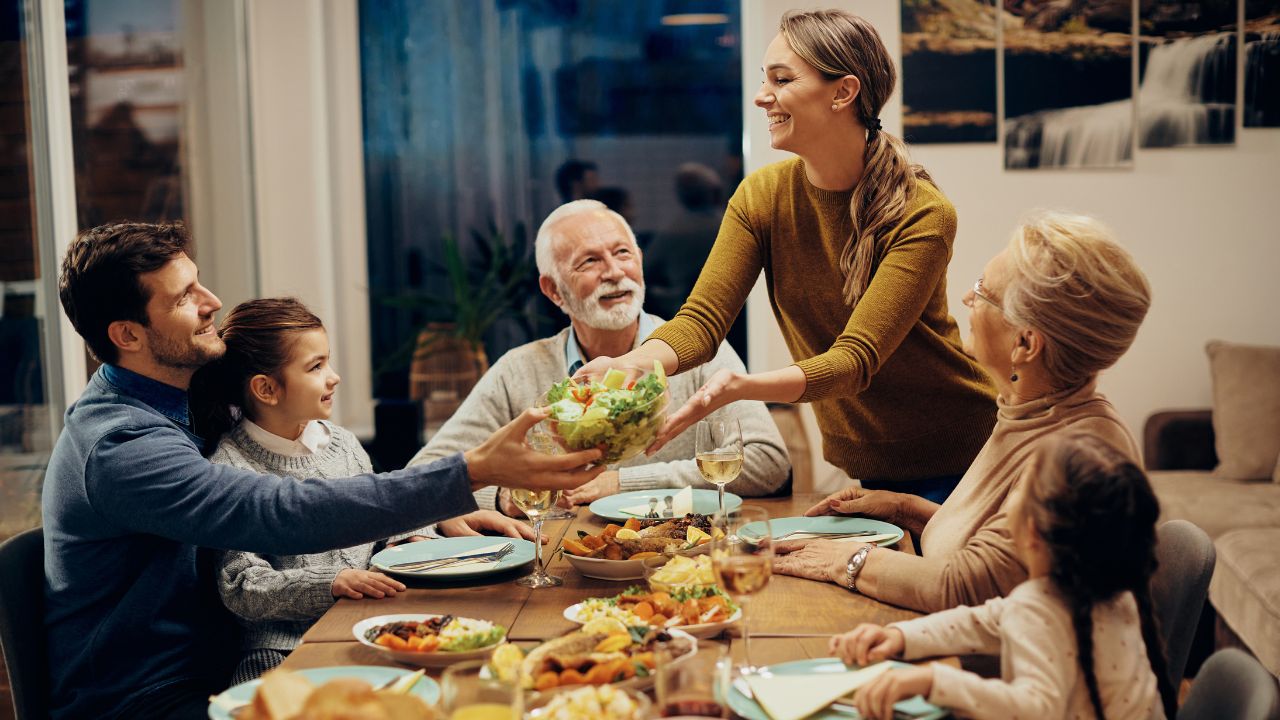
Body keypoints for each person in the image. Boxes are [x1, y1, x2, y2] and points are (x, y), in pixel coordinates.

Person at [43, 222, 603, 720]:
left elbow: (321, 476)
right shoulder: (121, 446)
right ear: (128, 335)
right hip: (149, 697)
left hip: (221, 663)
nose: (212, 301)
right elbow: (278, 510)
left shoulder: (189, 405)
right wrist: (469, 471)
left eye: (200, 282)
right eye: (185, 296)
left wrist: (439, 516)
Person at [576, 9, 997, 504]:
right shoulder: (763, 196)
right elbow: (703, 321)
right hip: (869, 460)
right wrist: (638, 361)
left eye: (782, 79)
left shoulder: (923, 212)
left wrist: (740, 387)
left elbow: (855, 361)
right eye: (764, 79)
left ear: (843, 92)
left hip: (965, 457)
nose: (761, 96)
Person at [772, 211, 1152, 613]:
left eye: (983, 291)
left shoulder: (1079, 458)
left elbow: (968, 586)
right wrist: (903, 507)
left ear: (1025, 344)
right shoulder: (1032, 412)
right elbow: (1005, 556)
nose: (968, 299)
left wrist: (839, 560)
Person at [189, 298, 517, 683]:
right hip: (284, 651)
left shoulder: (342, 444)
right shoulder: (228, 467)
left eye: (327, 361)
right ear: (266, 388)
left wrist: (407, 539)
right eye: (315, 367)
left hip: (371, 627)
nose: (334, 377)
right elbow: (242, 585)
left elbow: (380, 518)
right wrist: (330, 584)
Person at [409, 200, 790, 510]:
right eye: (589, 261)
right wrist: (502, 496)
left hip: (683, 556)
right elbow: (425, 476)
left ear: (639, 261)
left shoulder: (699, 352)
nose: (613, 272)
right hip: (561, 569)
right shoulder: (519, 370)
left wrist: (620, 483)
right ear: (553, 290)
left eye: (622, 253)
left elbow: (768, 463)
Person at [830, 433, 1176, 720]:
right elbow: (985, 621)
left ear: (1032, 533)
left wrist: (934, 680)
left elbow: (1034, 709)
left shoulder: (1042, 608)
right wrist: (900, 636)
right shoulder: (1111, 593)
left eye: (1017, 495)